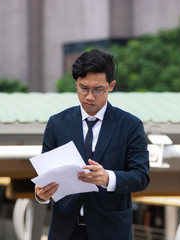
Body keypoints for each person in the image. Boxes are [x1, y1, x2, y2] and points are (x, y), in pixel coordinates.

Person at [35, 49, 150, 240]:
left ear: (111, 86)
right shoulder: (57, 123)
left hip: (111, 232)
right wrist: (41, 194)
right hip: (64, 231)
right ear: (76, 84)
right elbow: (45, 174)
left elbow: (141, 176)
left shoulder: (130, 125)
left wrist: (108, 178)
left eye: (97, 90)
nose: (89, 96)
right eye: (83, 88)